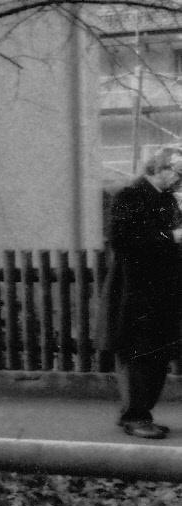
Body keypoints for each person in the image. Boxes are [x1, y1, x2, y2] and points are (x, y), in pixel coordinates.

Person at [101, 149, 182, 438]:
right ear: (159, 168)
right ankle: (135, 417)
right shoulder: (130, 195)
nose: (179, 179)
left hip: (161, 292)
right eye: (177, 172)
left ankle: (139, 414)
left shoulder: (166, 199)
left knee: (157, 355)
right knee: (139, 355)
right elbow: (123, 239)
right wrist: (171, 237)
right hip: (135, 291)